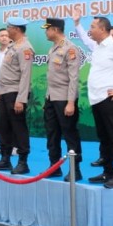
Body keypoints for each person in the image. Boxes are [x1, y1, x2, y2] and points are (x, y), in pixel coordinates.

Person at [73, 14, 113, 189]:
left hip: (111, 100)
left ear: (102, 29)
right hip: (97, 100)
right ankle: (108, 172)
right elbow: (84, 38)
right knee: (104, 138)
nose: (89, 29)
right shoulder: (98, 46)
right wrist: (77, 23)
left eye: (92, 26)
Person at [0, 17, 34, 175]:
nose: (6, 30)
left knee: (19, 128)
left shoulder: (25, 48)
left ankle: (23, 162)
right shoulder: (12, 46)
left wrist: (21, 99)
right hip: (4, 92)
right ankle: (5, 159)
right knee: (4, 127)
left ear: (16, 29)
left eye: (9, 27)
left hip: (15, 93)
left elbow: (25, 75)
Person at [42, 18, 82, 180]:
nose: (46, 32)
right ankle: (54, 166)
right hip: (51, 97)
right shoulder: (53, 49)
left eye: (47, 29)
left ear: (55, 30)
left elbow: (74, 78)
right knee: (52, 133)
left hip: (65, 98)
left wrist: (71, 102)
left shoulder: (70, 48)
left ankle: (75, 170)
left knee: (70, 133)